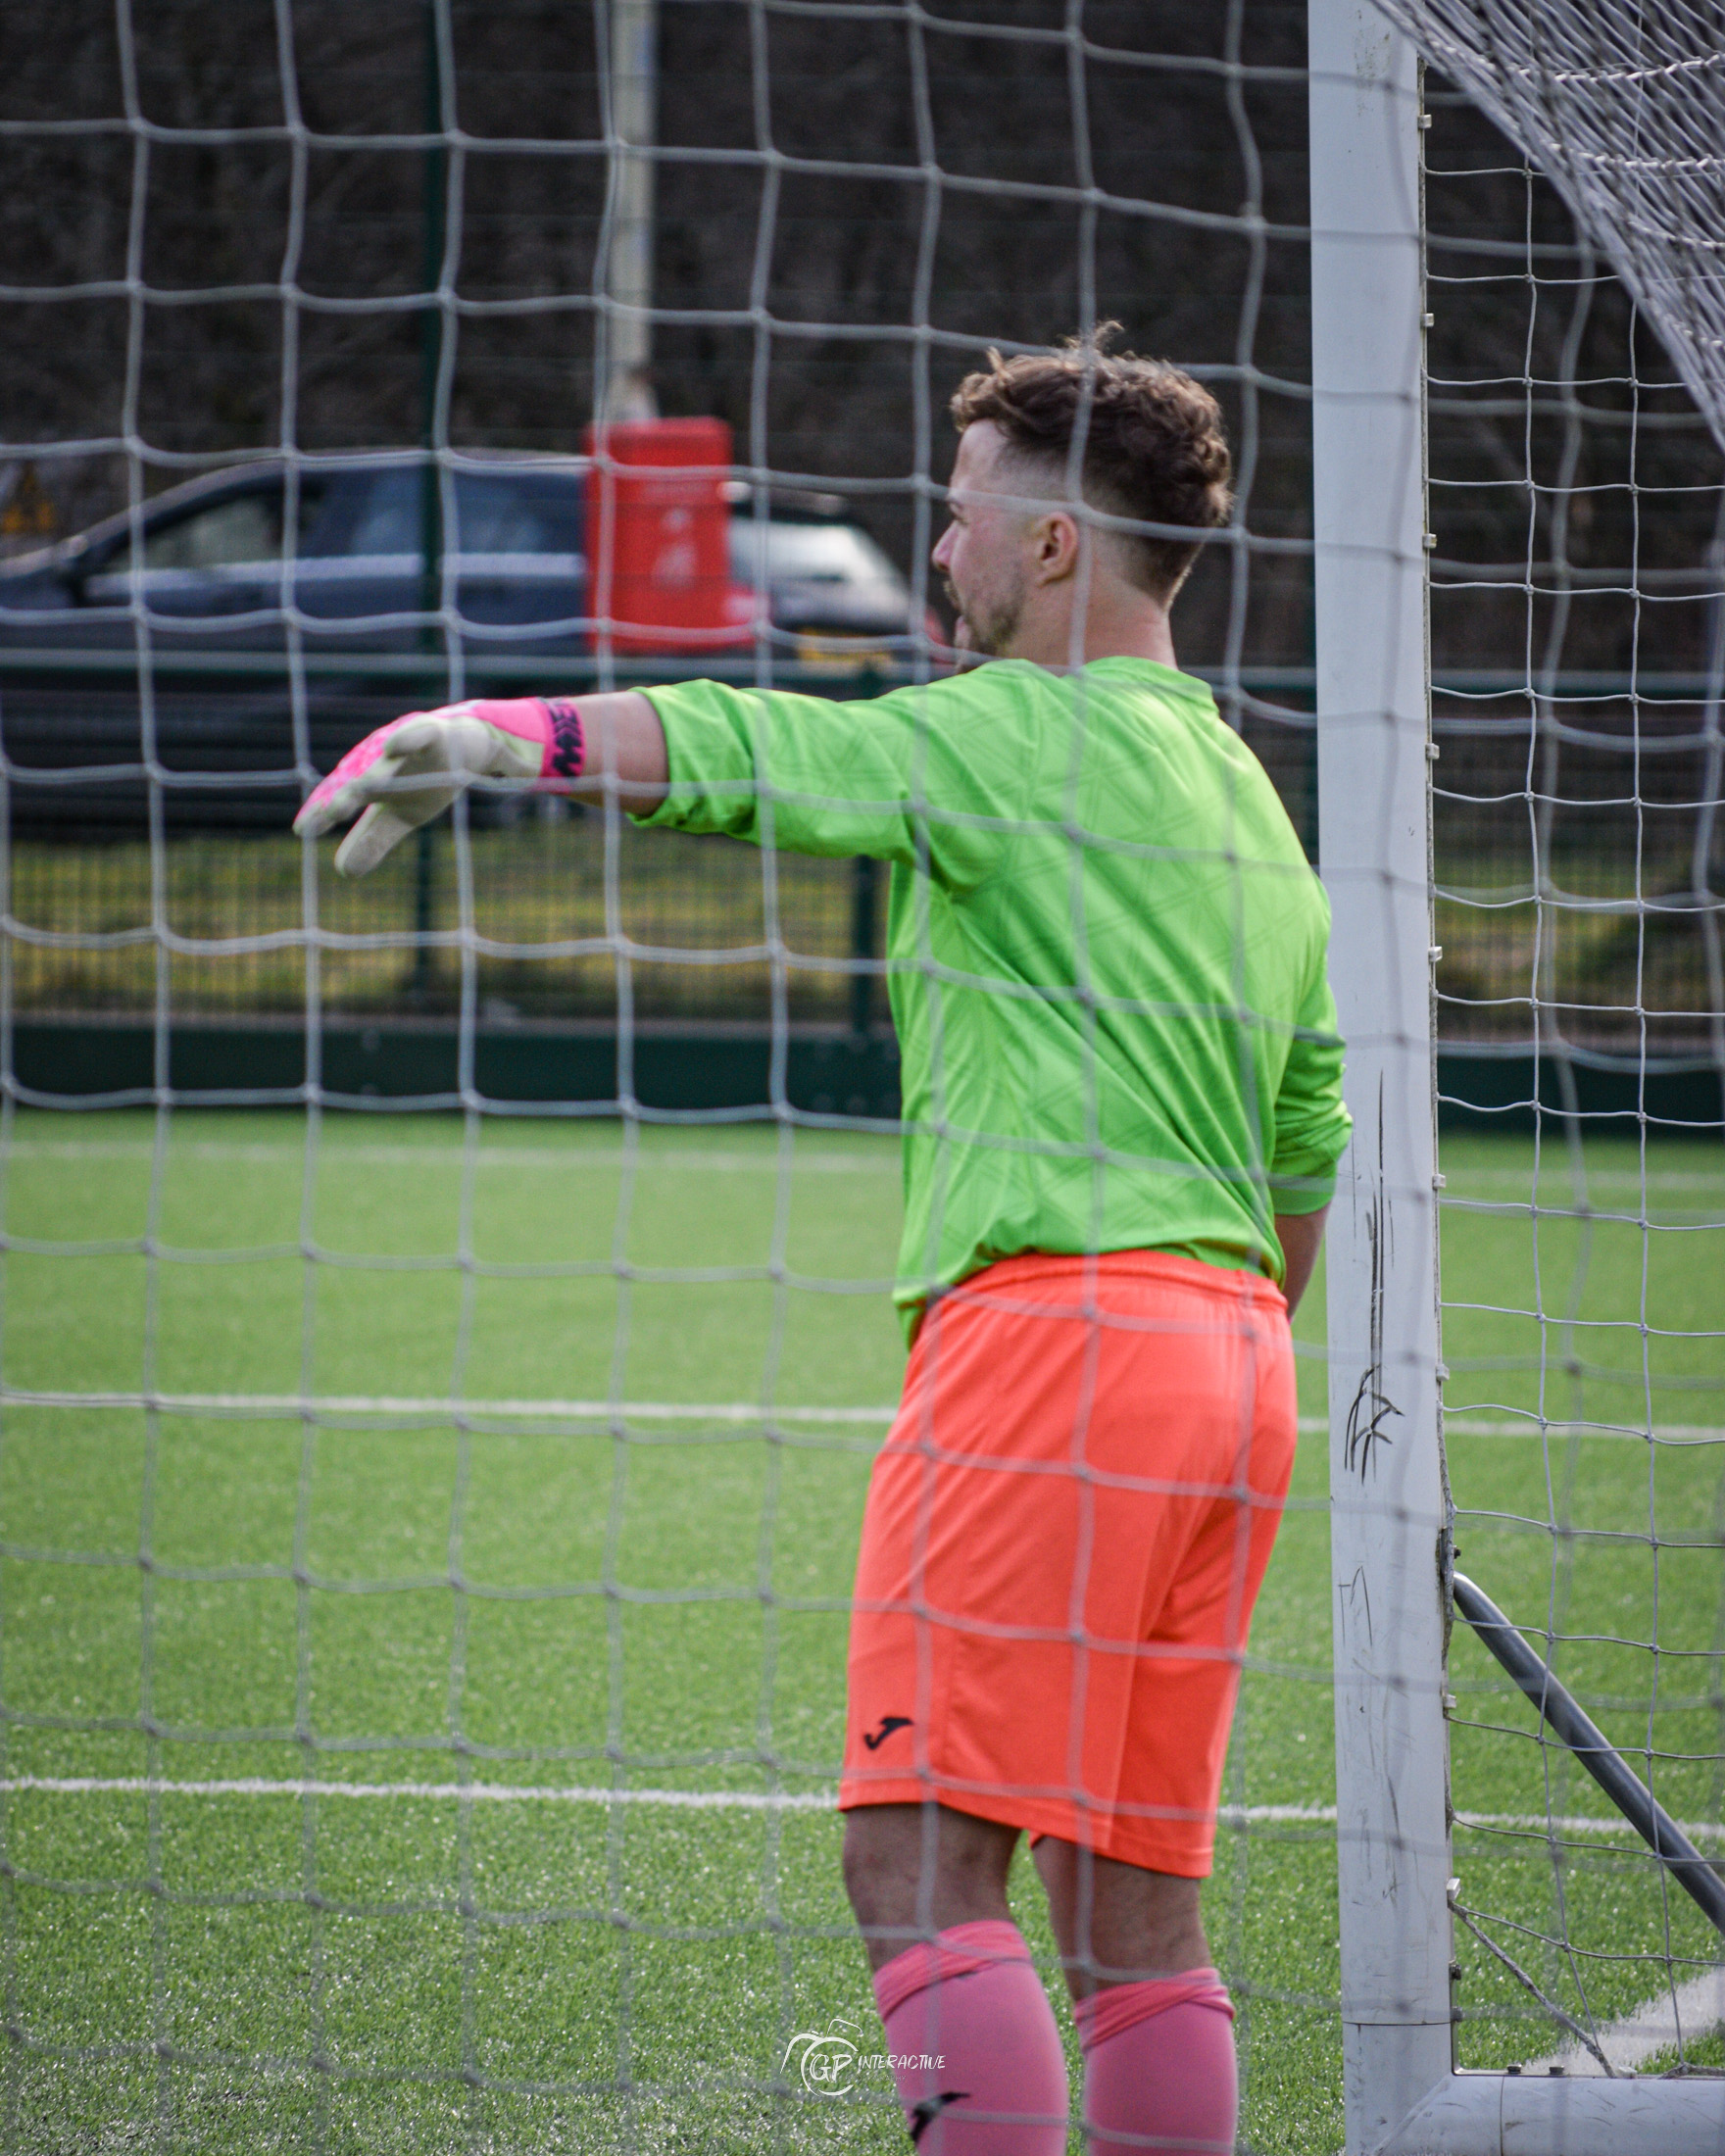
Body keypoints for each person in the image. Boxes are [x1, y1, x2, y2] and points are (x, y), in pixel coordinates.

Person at [295, 330, 1351, 2155]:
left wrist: (494, 732)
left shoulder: (1017, 727)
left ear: (1045, 550)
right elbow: (1308, 1139)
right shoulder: (1251, 796)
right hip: (1239, 1366)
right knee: (1132, 1916)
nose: (936, 554)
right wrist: (1207, 1344)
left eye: (957, 519)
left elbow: (760, 749)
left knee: (923, 1869)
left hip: (1056, 1346)